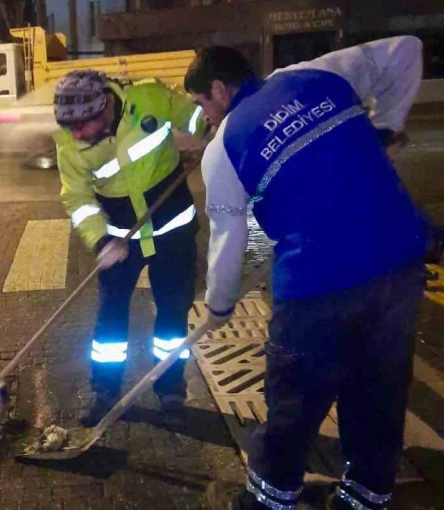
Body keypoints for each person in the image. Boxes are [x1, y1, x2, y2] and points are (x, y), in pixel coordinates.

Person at [183, 37, 430, 510]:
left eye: (202, 105)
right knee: (378, 388)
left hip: (319, 284)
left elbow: (227, 239)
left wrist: (218, 304)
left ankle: (268, 501)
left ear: (218, 88)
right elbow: (406, 49)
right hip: (397, 261)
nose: (206, 118)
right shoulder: (317, 73)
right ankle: (364, 499)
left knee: (294, 399)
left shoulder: (224, 147)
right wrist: (388, 128)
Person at [53, 70, 206, 425]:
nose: (75, 135)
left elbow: (196, 116)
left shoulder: (149, 98)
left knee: (172, 312)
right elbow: (76, 198)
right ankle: (104, 391)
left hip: (173, 231)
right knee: (110, 317)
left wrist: (211, 130)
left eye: (82, 126)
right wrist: (100, 239)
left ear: (105, 106)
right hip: (120, 237)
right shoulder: (69, 142)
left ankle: (170, 391)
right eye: (69, 127)